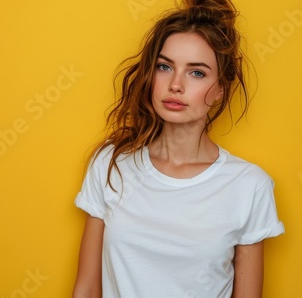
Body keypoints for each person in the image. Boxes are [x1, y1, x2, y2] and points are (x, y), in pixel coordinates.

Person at [72, 0, 284, 297]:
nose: (175, 84)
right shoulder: (111, 163)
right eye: (164, 66)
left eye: (196, 72)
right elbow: (86, 289)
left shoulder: (249, 186)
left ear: (221, 88)